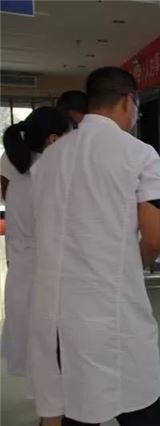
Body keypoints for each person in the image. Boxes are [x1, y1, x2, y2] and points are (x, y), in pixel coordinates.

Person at [28, 67, 160, 426]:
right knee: (137, 403)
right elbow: (154, 238)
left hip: (55, 312)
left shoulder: (49, 158)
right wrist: (131, 266)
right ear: (129, 101)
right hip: (111, 310)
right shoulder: (139, 154)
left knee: (75, 405)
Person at [1, 107, 71, 380]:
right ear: (53, 139)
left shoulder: (13, 165)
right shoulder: (53, 171)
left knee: (32, 349)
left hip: (20, 268)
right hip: (49, 272)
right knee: (53, 353)